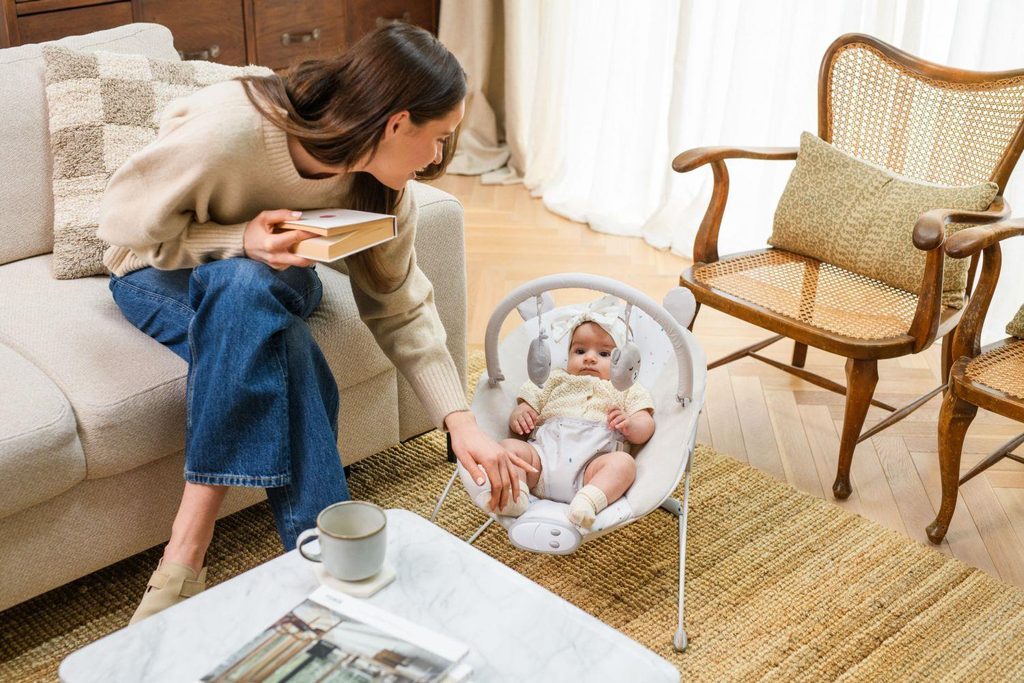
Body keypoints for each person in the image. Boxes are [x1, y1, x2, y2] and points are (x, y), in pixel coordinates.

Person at [97, 24, 535, 624]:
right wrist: (239, 239)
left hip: (281, 281)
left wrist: (460, 423)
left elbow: (401, 304)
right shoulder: (233, 128)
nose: (438, 157)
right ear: (397, 123)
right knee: (262, 312)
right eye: (438, 137)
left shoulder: (383, 191)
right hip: (158, 272)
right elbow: (119, 225)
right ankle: (328, 563)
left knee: (250, 286)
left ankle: (185, 555)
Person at [470, 300, 656, 529]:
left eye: (604, 353)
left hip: (592, 469)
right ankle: (515, 496)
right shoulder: (554, 379)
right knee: (508, 448)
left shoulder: (626, 388)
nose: (589, 358)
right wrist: (521, 414)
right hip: (541, 462)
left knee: (624, 464)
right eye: (580, 351)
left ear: (622, 363)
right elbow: (526, 403)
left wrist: (630, 425)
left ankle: (587, 502)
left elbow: (646, 423)